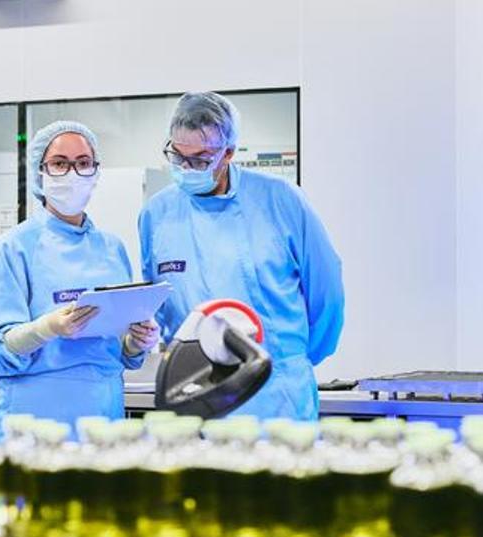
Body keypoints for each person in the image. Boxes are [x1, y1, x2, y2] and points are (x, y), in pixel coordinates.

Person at [138, 92, 344, 420]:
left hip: (277, 397)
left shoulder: (280, 200)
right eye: (178, 156)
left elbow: (326, 293)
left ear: (229, 153)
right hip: (195, 392)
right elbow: (159, 303)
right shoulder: (157, 213)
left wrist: (290, 362)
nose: (187, 168)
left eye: (201, 159)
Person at [0, 120, 158, 441]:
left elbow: (116, 350)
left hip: (103, 420)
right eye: (60, 164)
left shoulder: (112, 249)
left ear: (95, 172)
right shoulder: (11, 250)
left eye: (83, 163)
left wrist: (135, 343)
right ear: (40, 172)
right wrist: (47, 328)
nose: (73, 174)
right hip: (34, 423)